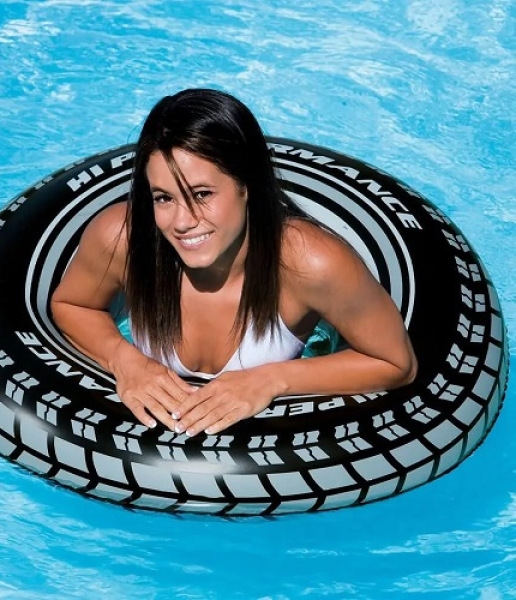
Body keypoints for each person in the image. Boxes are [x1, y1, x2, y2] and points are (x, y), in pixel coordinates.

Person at [51, 88, 417, 437]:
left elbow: (396, 363)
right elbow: (72, 305)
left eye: (202, 194)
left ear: (247, 186)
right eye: (163, 198)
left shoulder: (309, 263)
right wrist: (124, 360)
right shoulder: (122, 238)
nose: (182, 222)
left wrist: (271, 379)